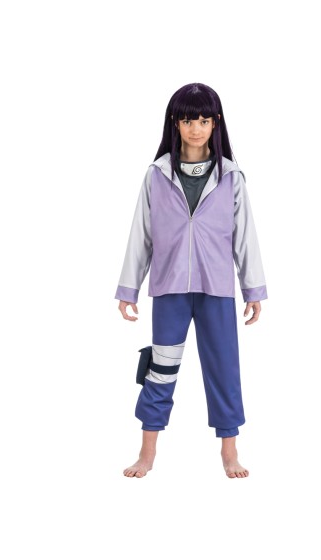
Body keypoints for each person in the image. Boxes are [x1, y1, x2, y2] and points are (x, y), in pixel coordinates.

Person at [114, 83, 268, 478]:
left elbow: (245, 236)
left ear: (216, 123)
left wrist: (252, 290)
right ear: (175, 123)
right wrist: (129, 289)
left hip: (217, 290)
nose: (195, 128)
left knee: (224, 369)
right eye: (187, 120)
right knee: (160, 370)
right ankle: (147, 452)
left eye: (203, 120)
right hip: (169, 290)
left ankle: (229, 452)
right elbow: (141, 235)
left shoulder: (230, 176)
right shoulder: (157, 175)